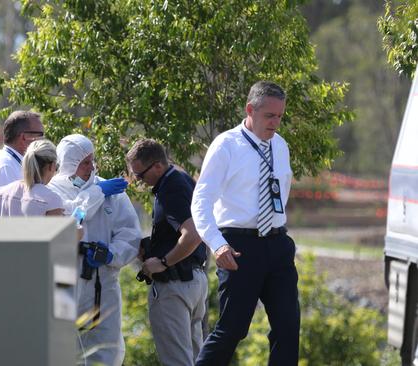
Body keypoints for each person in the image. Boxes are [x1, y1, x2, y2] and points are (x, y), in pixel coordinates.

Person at [191, 81, 299, 365]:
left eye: (280, 116)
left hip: (277, 245)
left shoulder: (281, 146)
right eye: (269, 116)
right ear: (250, 110)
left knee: (288, 329)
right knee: (232, 330)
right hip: (238, 247)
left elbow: (281, 194)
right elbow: (201, 201)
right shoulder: (226, 145)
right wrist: (217, 245)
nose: (275, 123)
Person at [48, 134, 141, 366]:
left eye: (92, 160)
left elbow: (130, 234)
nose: (91, 167)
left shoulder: (114, 194)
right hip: (63, 283)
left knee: (106, 349)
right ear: (69, 164)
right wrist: (96, 193)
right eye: (84, 162)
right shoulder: (51, 192)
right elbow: (73, 218)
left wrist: (112, 253)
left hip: (102, 284)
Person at [126, 138, 208, 366]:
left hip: (175, 285)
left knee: (177, 362)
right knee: (194, 358)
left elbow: (192, 234)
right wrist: (152, 245)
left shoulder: (171, 189)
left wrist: (162, 261)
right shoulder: (182, 180)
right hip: (194, 281)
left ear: (158, 166)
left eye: (141, 176)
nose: (139, 182)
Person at [0, 139, 63, 222]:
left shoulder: (1, 193)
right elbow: (59, 241)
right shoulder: (52, 200)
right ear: (51, 166)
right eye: (56, 167)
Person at [0, 110, 44, 208]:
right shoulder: (6, 166)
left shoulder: (12, 162)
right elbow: (9, 211)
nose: (43, 141)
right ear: (24, 137)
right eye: (40, 135)